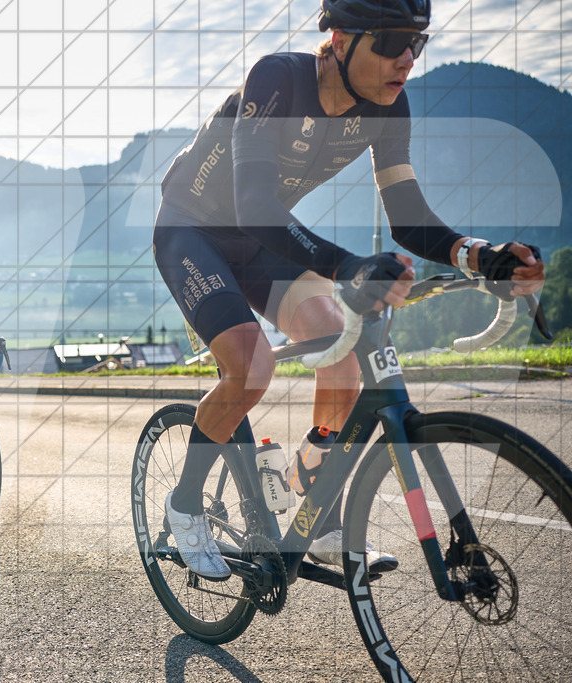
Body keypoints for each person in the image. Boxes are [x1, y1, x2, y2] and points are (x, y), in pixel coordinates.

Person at [153, 0, 545, 580]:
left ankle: (318, 509)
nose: (407, 59)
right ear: (339, 40)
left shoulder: (388, 106)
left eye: (417, 43)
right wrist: (349, 267)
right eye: (390, 42)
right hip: (193, 231)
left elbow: (407, 216)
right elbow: (254, 203)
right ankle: (185, 505)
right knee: (251, 369)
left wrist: (479, 254)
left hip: (262, 240)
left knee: (342, 351)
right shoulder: (277, 80)